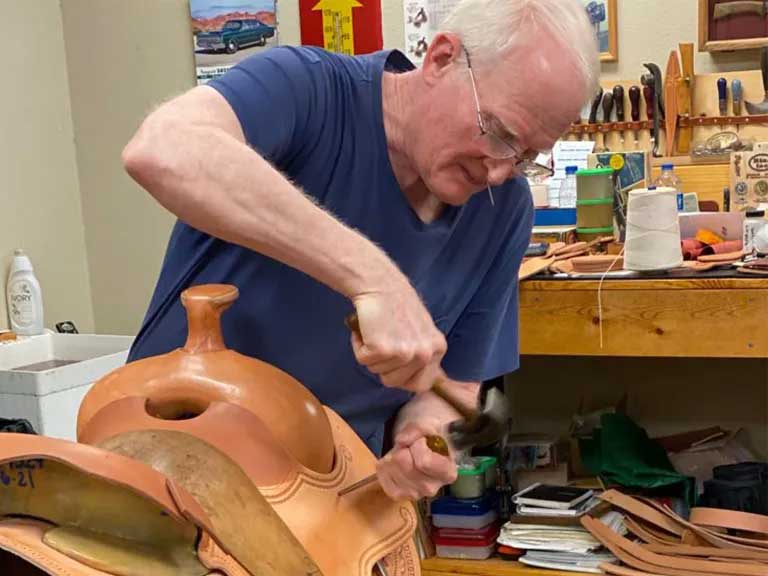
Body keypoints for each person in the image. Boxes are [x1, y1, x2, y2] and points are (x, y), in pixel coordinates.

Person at [121, 0, 599, 501]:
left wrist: (425, 441)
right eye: (500, 133)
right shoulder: (308, 90)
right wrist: (374, 277)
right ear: (440, 59)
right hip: (172, 466)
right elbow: (162, 149)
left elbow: (455, 389)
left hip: (327, 496)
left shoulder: (503, 211)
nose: (499, 171)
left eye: (525, 157)